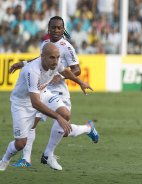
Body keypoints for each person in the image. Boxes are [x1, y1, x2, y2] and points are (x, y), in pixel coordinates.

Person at [8, 16, 99, 169]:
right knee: (31, 123)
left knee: (63, 129)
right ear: (48, 29)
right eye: (53, 27)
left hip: (60, 91)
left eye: (59, 28)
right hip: (44, 89)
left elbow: (77, 70)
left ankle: (86, 129)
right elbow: (39, 58)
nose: (56, 30)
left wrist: (60, 75)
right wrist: (23, 63)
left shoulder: (67, 47)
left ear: (63, 30)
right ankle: (26, 159)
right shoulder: (45, 43)